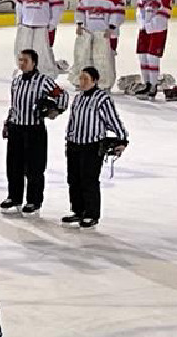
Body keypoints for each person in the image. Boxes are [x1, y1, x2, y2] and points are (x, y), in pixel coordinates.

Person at [1, 49, 69, 216]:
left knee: (34, 168)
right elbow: (14, 105)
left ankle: (33, 201)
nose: (21, 63)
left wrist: (55, 110)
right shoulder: (16, 82)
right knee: (13, 166)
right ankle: (14, 197)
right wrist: (7, 123)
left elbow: (62, 96)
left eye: (25, 60)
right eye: (20, 60)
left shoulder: (44, 81)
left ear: (34, 63)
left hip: (34, 130)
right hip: (16, 128)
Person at [64, 66, 128, 229]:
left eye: (86, 78)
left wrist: (121, 139)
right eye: (81, 78)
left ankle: (91, 213)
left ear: (94, 81)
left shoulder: (102, 99)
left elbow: (113, 120)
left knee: (89, 180)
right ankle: (78, 211)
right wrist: (68, 139)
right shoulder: (78, 98)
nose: (82, 81)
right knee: (74, 179)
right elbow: (72, 121)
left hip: (91, 146)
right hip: (75, 145)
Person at [71, 0, 125, 89]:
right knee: (85, 57)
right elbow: (80, 10)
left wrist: (112, 27)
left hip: (105, 34)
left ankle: (104, 83)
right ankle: (86, 81)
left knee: (105, 58)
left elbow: (118, 13)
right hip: (88, 33)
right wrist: (79, 24)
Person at [14, 0, 64, 76]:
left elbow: (57, 7)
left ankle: (44, 73)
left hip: (42, 27)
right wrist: (19, 20)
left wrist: (53, 23)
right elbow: (20, 4)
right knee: (24, 50)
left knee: (42, 52)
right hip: (26, 26)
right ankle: (25, 70)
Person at [134, 0, 172, 99]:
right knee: (142, 56)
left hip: (158, 30)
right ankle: (146, 84)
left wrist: (149, 25)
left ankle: (153, 85)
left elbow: (165, 13)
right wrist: (142, 24)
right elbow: (139, 10)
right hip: (143, 29)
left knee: (152, 57)